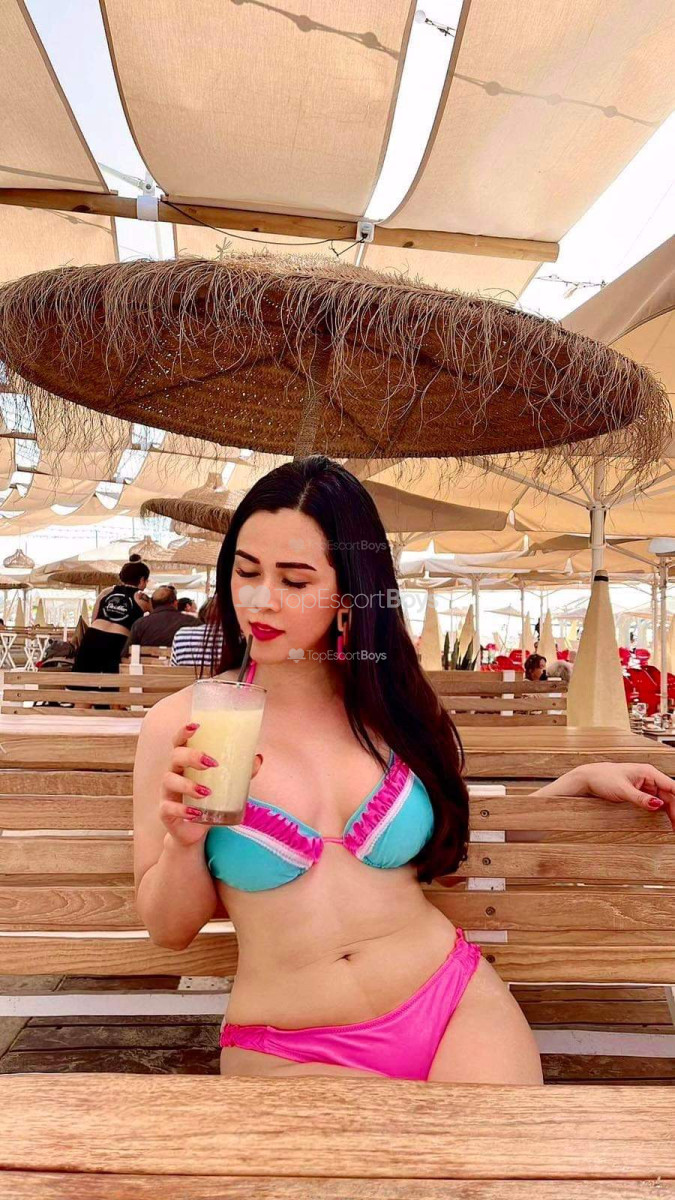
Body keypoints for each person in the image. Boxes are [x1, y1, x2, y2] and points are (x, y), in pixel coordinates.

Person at [133, 456, 675, 1086]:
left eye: (295, 580)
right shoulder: (186, 723)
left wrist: (576, 782)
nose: (261, 600)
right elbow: (169, 930)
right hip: (290, 1043)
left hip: (450, 1002)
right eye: (246, 572)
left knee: (503, 1150)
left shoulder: (393, 709)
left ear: (350, 596)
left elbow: (453, 842)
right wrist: (184, 843)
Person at [72, 556, 150, 673]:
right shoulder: (142, 598)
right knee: (110, 681)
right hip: (117, 640)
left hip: (93, 635)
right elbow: (157, 616)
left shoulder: (106, 592)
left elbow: (94, 619)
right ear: (142, 580)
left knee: (82, 678)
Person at [127, 584, 199, 649]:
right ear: (175, 603)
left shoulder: (139, 624)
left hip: (149, 659)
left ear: (152, 603)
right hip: (178, 659)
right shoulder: (192, 622)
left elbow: (127, 652)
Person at [170, 598, 224, 670]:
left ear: (202, 613)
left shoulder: (181, 634)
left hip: (185, 677)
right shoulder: (234, 638)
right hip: (220, 677)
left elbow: (173, 668)